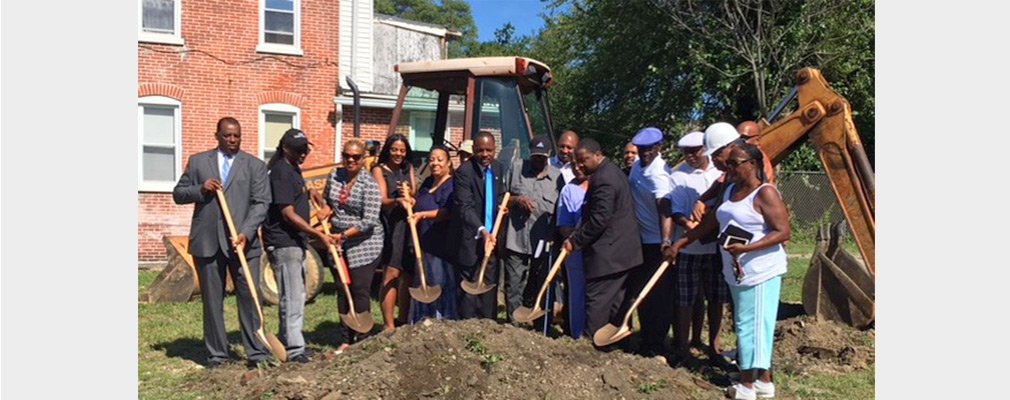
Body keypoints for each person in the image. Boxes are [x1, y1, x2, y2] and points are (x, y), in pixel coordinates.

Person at [667, 142, 789, 400]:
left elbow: (783, 232)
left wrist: (748, 247)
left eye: (735, 163)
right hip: (736, 272)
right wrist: (682, 241)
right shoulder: (731, 190)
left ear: (753, 164)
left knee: (751, 328)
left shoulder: (765, 193)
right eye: (728, 163)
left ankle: (746, 387)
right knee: (748, 324)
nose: (729, 168)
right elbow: (711, 222)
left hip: (760, 272)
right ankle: (763, 382)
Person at [172, 117, 272, 368]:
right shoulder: (198, 162)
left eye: (237, 136)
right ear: (217, 135)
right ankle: (217, 354)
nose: (233, 141)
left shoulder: (255, 166)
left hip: (242, 243)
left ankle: (257, 351)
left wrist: (246, 232)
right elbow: (179, 194)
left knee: (250, 296)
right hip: (207, 242)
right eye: (227, 136)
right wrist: (200, 188)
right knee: (212, 299)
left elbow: (261, 204)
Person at [262, 129, 337, 363]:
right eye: (299, 149)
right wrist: (318, 234)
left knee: (297, 294)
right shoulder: (281, 171)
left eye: (306, 148)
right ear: (285, 149)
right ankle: (294, 349)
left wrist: (310, 191)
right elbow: (287, 213)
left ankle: (290, 341)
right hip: (284, 243)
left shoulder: (292, 168)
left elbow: (294, 195)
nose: (304, 153)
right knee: (292, 296)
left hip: (295, 242)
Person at [562, 138, 642, 342]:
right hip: (623, 253)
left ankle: (592, 345)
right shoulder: (611, 171)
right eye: (577, 162)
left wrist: (575, 240)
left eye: (584, 160)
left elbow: (599, 219)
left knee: (597, 301)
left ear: (597, 155)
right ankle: (612, 346)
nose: (579, 166)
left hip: (609, 255)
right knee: (616, 304)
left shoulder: (603, 179)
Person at [664, 131, 726, 363]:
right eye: (685, 152)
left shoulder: (720, 172)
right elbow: (676, 209)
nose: (690, 155)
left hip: (715, 248)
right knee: (685, 299)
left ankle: (714, 347)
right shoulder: (678, 176)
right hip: (689, 248)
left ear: (705, 149)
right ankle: (682, 347)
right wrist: (688, 226)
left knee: (716, 298)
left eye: (695, 151)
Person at [326, 139, 384, 352]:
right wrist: (325, 209)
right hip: (338, 242)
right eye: (346, 156)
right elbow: (329, 202)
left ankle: (362, 338)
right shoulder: (334, 176)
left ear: (363, 159)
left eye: (355, 157)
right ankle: (345, 338)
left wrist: (343, 234)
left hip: (364, 243)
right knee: (342, 288)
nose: (350, 160)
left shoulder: (368, 184)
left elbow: (369, 220)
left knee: (359, 289)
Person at [504, 135, 564, 325]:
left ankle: (540, 326)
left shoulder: (557, 178)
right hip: (517, 238)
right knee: (514, 285)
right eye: (535, 156)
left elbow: (560, 210)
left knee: (542, 285)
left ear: (548, 156)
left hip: (543, 241)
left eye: (541, 157)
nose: (537, 160)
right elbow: (503, 197)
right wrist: (517, 200)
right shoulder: (516, 168)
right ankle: (513, 326)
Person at [627, 127, 675, 357]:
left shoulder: (659, 175)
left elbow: (665, 209)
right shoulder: (637, 165)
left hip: (657, 244)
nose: (645, 153)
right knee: (642, 294)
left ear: (658, 148)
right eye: (642, 149)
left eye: (650, 149)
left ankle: (656, 344)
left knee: (658, 296)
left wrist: (666, 241)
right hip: (639, 240)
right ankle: (646, 338)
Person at [450, 131, 507, 319]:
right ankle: (467, 328)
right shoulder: (464, 173)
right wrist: (482, 230)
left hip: (492, 239)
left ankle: (488, 327)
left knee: (489, 289)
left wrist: (502, 208)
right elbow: (464, 207)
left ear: (494, 150)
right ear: (474, 150)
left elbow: (500, 195)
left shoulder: (498, 169)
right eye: (480, 150)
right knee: (468, 291)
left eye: (489, 150)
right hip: (471, 241)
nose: (485, 155)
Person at [371, 134, 417, 333]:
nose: (398, 154)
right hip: (391, 226)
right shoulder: (379, 170)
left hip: (409, 224)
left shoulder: (408, 169)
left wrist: (409, 196)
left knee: (407, 274)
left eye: (402, 150)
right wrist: (397, 199)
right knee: (391, 273)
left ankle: (403, 319)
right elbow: (381, 199)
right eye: (394, 149)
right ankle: (388, 325)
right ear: (388, 150)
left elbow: (414, 190)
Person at [407, 145, 458, 322]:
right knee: (423, 282)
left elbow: (446, 212)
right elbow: (420, 202)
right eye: (431, 159)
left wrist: (422, 215)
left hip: (439, 246)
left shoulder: (451, 185)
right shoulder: (428, 182)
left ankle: (440, 322)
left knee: (439, 283)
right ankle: (421, 322)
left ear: (448, 163)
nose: (434, 163)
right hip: (423, 243)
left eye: (439, 159)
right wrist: (410, 200)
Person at [556, 160, 589, 338]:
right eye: (574, 165)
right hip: (575, 250)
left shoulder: (600, 187)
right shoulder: (568, 190)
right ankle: (578, 335)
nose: (578, 168)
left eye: (581, 164)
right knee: (577, 294)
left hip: (599, 252)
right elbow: (563, 225)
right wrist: (578, 235)